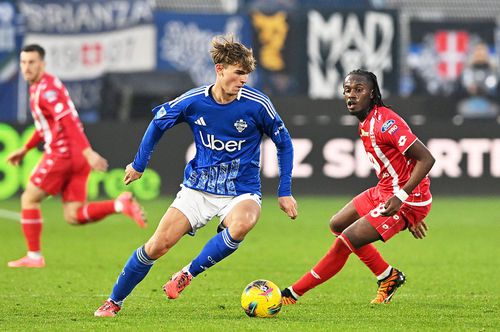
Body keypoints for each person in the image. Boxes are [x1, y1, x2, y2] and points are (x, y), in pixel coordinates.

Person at [94, 35, 298, 318]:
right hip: (197, 190)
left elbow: (284, 143)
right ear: (220, 69)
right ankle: (113, 301)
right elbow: (157, 124)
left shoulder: (257, 104)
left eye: (246, 74)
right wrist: (139, 164)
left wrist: (285, 190)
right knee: (156, 246)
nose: (243, 80)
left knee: (242, 224)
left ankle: (187, 274)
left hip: (241, 190)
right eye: (238, 73)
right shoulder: (193, 101)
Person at [280, 69, 435, 305]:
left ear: (372, 94)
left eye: (359, 90)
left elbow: (427, 158)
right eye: (347, 90)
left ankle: (292, 294)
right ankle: (388, 276)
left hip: (405, 198)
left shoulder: (386, 123)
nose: (351, 95)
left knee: (347, 240)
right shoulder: (365, 122)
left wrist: (405, 200)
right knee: (338, 224)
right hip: (386, 190)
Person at [7, 44, 147, 268]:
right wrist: (24, 149)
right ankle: (119, 205)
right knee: (73, 215)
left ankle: (34, 256)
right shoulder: (40, 87)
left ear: (42, 64)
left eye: (32, 62)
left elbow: (68, 121)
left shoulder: (47, 89)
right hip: (75, 156)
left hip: (64, 154)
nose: (27, 67)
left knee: (28, 198)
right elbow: (45, 127)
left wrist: (88, 151)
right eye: (23, 62)